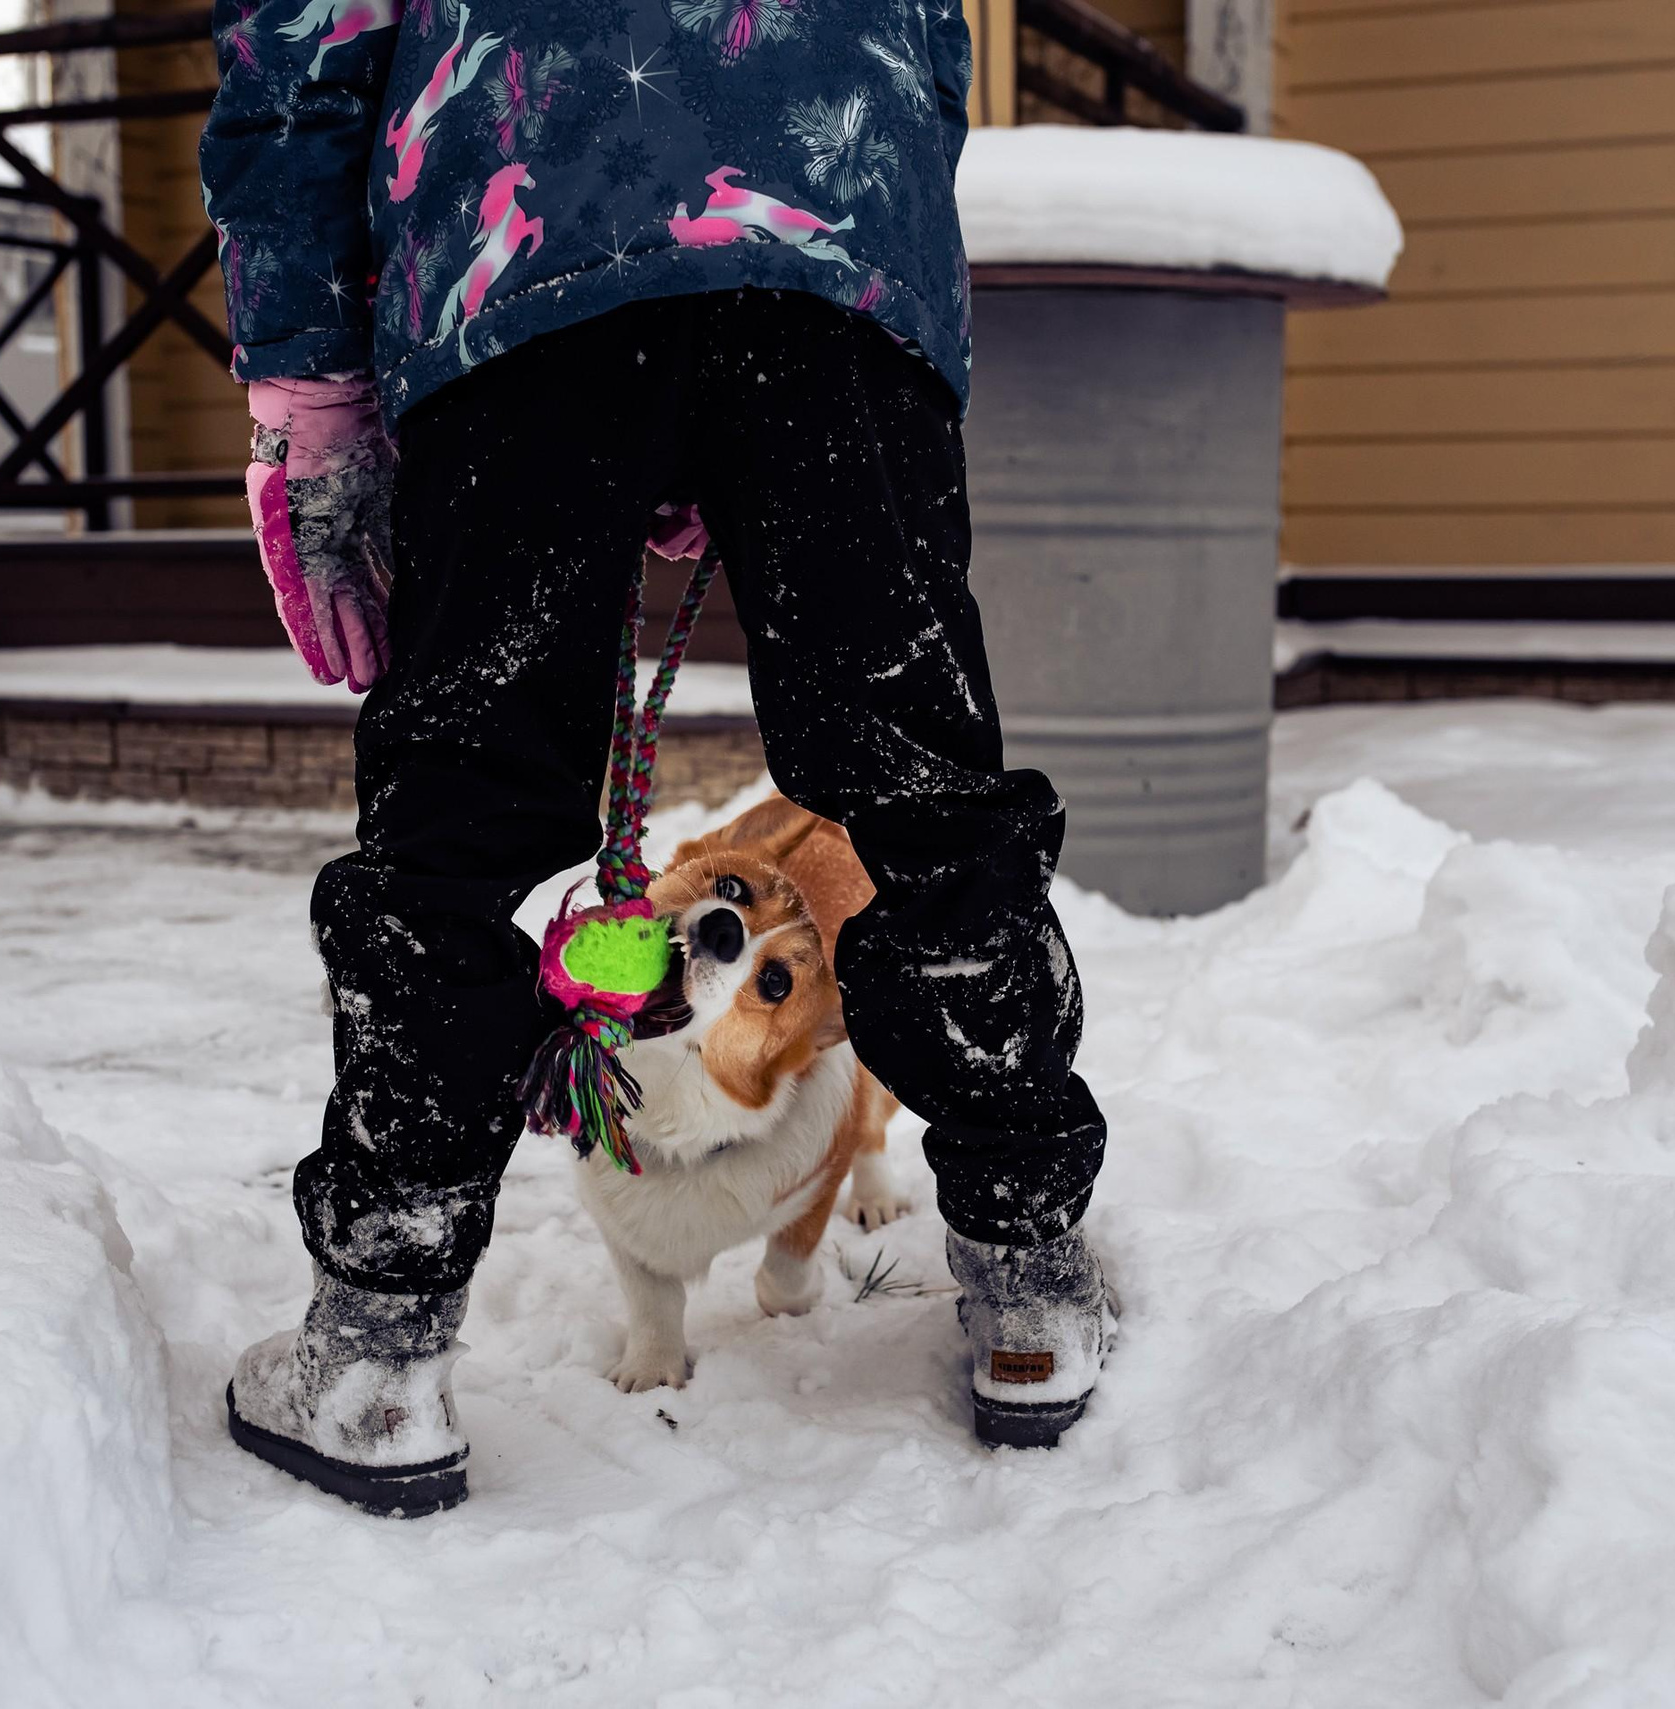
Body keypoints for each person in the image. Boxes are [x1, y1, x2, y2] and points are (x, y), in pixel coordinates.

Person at [203, 0, 1113, 1516]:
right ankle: (1031, 1290)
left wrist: (306, 371)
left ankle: (375, 1342)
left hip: (530, 223)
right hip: (834, 225)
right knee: (919, 792)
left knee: (462, 809)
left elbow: (303, 27)